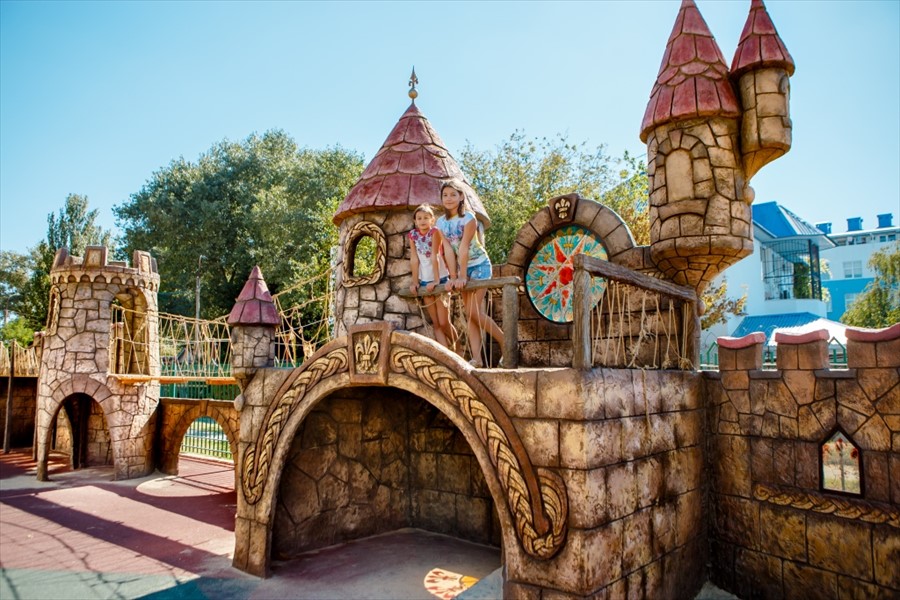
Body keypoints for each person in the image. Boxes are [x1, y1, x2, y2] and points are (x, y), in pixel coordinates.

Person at [435, 179, 503, 368]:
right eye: (445, 195)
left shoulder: (469, 218)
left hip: (479, 265)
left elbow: (464, 247)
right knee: (470, 313)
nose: (449, 198)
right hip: (460, 269)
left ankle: (504, 341)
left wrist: (462, 276)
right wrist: (453, 276)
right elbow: (448, 250)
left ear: (461, 196)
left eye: (453, 194)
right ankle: (477, 358)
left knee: (473, 311)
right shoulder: (440, 223)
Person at [408, 204, 457, 350]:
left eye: (426, 218)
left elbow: (435, 255)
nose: (422, 221)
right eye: (419, 218)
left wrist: (436, 281)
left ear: (432, 220)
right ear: (415, 221)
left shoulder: (434, 232)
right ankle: (446, 355)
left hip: (440, 278)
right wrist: (415, 282)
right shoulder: (413, 235)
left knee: (444, 322)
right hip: (425, 281)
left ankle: (459, 348)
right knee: (436, 324)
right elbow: (414, 258)